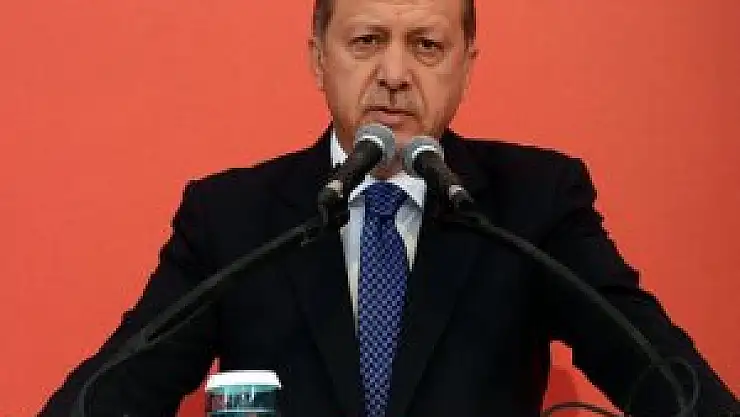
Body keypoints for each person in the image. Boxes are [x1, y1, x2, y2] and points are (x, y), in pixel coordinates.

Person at [40, 0, 738, 416]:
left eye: (427, 45)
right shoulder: (233, 218)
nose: (396, 74)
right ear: (319, 57)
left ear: (466, 63)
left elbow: (659, 372)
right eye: (367, 41)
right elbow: (114, 392)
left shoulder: (532, 203)